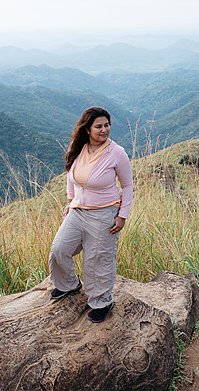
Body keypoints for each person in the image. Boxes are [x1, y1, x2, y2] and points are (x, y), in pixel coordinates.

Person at [48, 107, 133, 323]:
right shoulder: (79, 148)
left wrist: (122, 216)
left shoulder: (117, 153)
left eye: (107, 125)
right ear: (87, 129)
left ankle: (102, 302)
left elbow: (127, 185)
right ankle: (69, 284)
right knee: (59, 249)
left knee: (97, 260)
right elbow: (71, 176)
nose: (104, 130)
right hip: (78, 212)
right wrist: (70, 202)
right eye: (99, 126)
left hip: (104, 214)